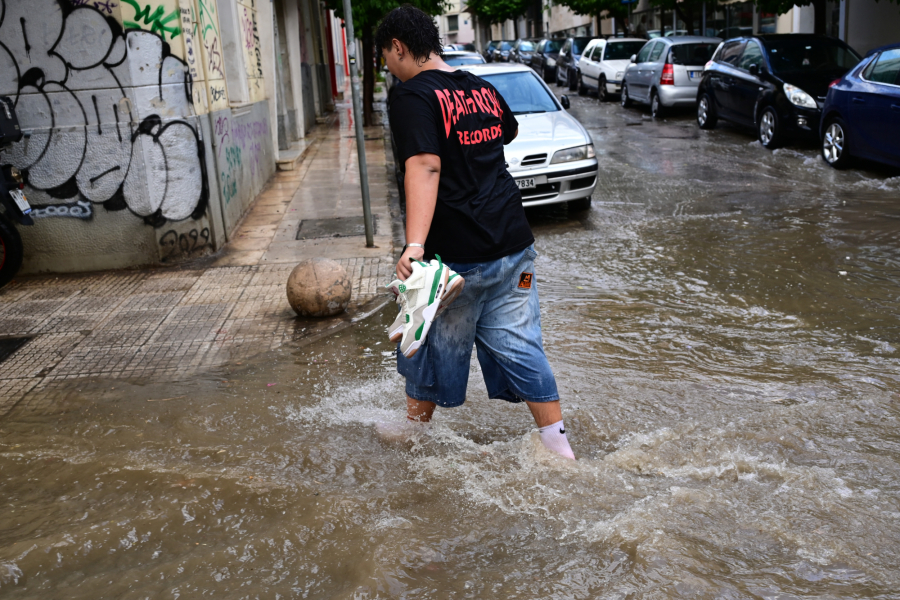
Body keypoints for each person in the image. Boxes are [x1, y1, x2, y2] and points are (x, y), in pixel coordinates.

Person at [375, 5, 575, 460]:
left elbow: (425, 165)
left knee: (422, 333)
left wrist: (415, 246)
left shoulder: (412, 96)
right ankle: (559, 447)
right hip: (513, 243)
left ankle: (414, 432)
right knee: (522, 345)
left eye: (386, 56)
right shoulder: (481, 87)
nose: (387, 66)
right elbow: (506, 131)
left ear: (398, 47)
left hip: (458, 254)